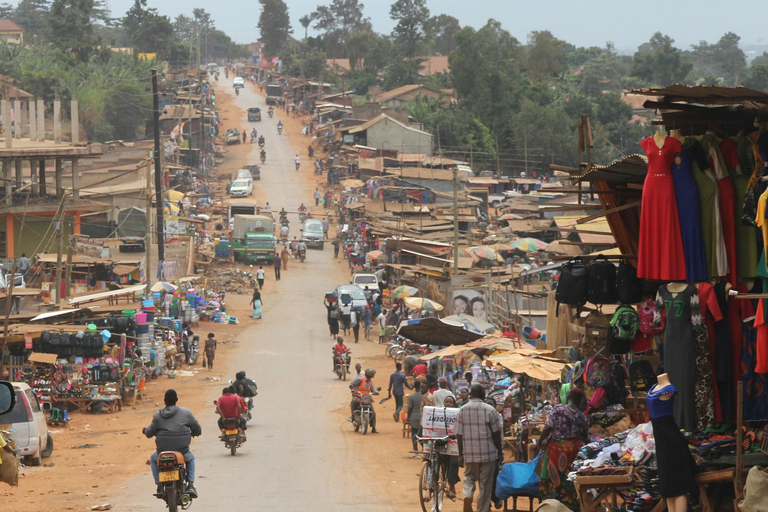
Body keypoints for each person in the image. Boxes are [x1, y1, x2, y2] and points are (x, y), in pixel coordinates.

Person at [144, 389, 201, 498]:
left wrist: (145, 430)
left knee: (153, 459)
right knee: (191, 459)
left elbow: (149, 433)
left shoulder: (157, 416)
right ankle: (190, 485)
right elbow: (197, 428)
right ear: (176, 400)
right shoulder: (186, 412)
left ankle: (159, 485)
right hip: (182, 451)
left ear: (164, 401)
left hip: (162, 452)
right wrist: (195, 433)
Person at [537, 387, 589, 508]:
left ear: (568, 397)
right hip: (575, 452)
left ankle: (555, 506)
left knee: (556, 480)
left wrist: (539, 442)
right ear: (579, 400)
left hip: (558, 451)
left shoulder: (558, 409)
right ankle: (570, 506)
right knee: (570, 479)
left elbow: (547, 427)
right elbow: (585, 437)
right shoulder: (582, 416)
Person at [456, 383, 503, 512]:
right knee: (485, 483)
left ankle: (467, 494)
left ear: (471, 394)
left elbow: (459, 434)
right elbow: (496, 434)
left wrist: (460, 454)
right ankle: (482, 509)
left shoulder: (462, 410)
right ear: (482, 394)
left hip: (469, 453)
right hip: (488, 453)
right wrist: (499, 452)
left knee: (469, 477)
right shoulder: (490, 410)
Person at [348, 367, 380, 434]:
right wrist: (352, 389)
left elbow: (373, 389)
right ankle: (353, 417)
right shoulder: (360, 379)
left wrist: (376, 392)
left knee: (372, 411)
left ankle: (373, 428)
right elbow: (352, 384)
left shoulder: (370, 382)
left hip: (366, 398)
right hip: (358, 396)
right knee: (354, 401)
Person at [443, 395, 461, 499]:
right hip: (441, 442)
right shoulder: (439, 413)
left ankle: (451, 486)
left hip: (454, 444)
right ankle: (430, 487)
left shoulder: (459, 414)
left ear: (454, 404)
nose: (448, 404)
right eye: (446, 402)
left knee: (454, 463)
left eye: (450, 402)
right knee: (432, 459)